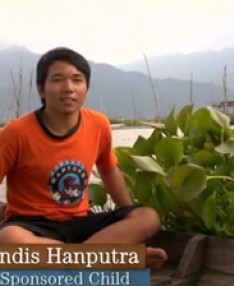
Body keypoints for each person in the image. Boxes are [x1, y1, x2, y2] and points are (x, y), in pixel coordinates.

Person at [0, 47, 167, 269]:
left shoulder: (99, 124)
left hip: (81, 223)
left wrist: (127, 215)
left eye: (77, 80)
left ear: (86, 89)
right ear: (41, 89)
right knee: (9, 238)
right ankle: (113, 258)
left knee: (148, 217)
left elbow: (108, 171)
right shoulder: (16, 133)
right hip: (32, 225)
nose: (68, 88)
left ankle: (72, 260)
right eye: (58, 80)